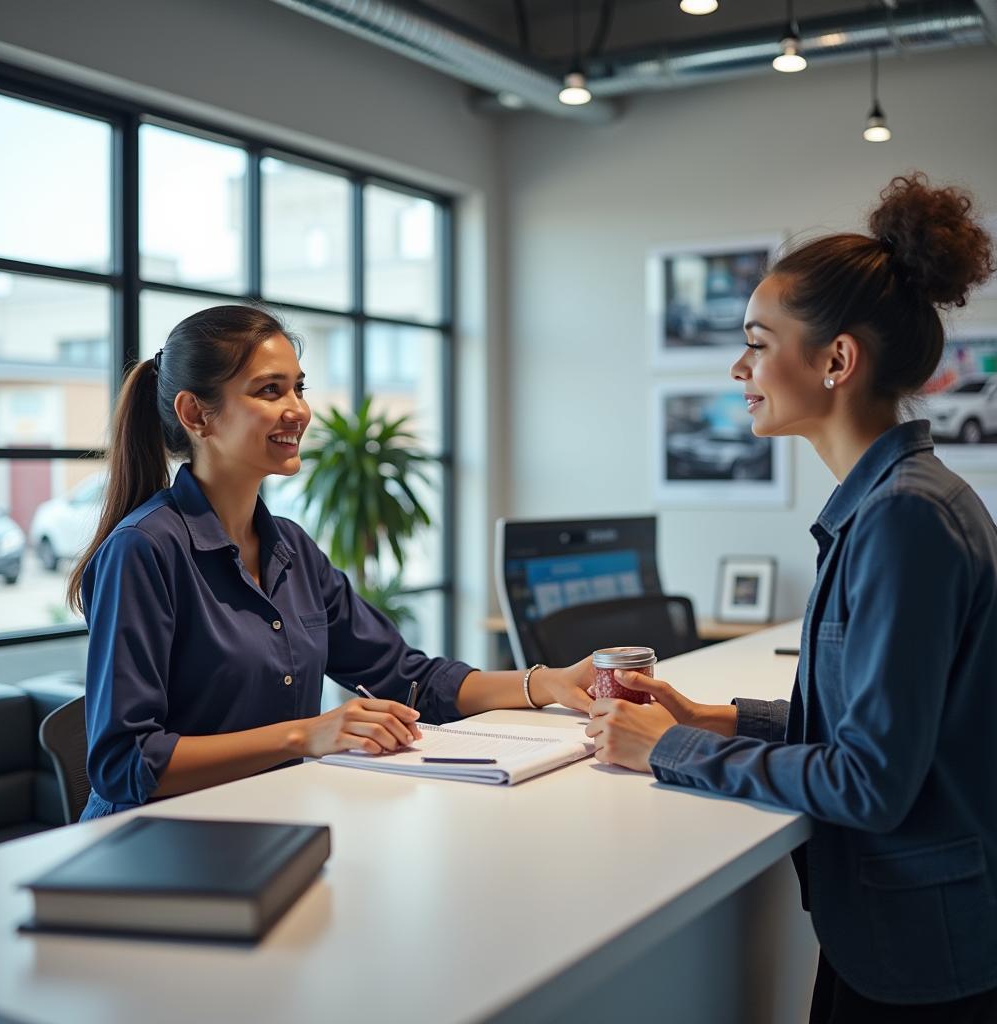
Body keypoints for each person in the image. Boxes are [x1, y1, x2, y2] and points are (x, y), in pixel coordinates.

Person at [587, 174, 997, 1022]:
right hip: (897, 935)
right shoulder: (892, 504)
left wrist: (669, 750)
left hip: (922, 953)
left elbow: (871, 782)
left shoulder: (905, 520)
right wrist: (709, 718)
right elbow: (875, 723)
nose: (738, 368)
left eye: (756, 342)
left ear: (836, 360)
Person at [72, 306, 592, 820]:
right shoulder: (143, 549)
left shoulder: (291, 550)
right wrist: (307, 734)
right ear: (194, 414)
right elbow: (126, 762)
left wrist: (547, 682)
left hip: (267, 826)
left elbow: (408, 677)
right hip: (152, 848)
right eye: (269, 390)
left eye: (299, 387)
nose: (298, 410)